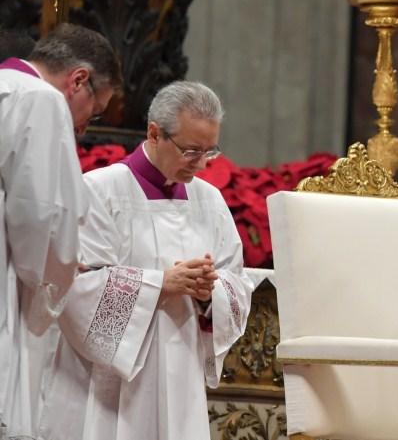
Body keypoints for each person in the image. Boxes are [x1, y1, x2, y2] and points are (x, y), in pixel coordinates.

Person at [38, 81, 253, 440]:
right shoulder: (100, 190)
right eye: (190, 151)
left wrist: (208, 293)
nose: (200, 165)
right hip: (108, 383)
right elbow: (73, 288)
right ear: (155, 134)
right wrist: (159, 284)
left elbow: (236, 280)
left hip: (181, 367)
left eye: (209, 151)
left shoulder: (209, 201)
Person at [0, 23, 121, 439]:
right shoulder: (41, 100)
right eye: (97, 110)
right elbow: (43, 217)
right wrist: (61, 274)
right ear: (79, 80)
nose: (86, 126)